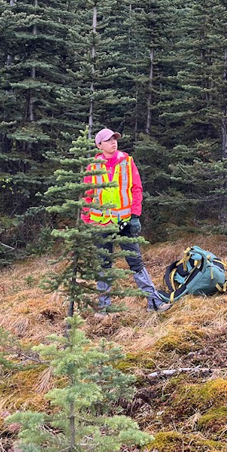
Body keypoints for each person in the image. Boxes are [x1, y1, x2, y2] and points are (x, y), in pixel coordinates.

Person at [82, 128, 170, 315]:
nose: (113, 142)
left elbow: (136, 189)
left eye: (115, 139)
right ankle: (104, 308)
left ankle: (153, 302)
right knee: (104, 265)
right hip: (101, 224)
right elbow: (87, 197)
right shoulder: (93, 167)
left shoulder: (127, 162)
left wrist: (135, 216)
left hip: (125, 223)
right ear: (99, 145)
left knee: (136, 262)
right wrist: (87, 221)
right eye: (108, 140)